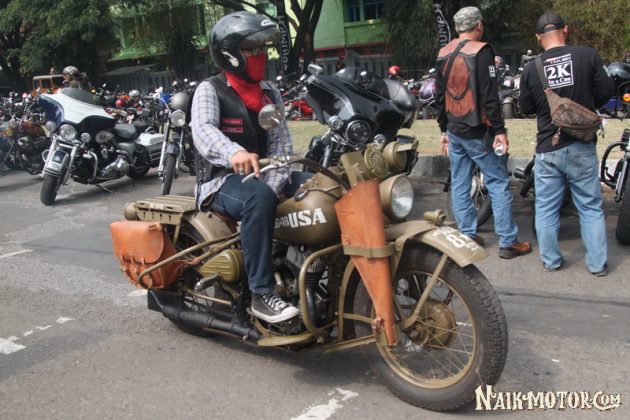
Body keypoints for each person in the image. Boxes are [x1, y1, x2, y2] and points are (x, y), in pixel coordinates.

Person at [190, 11, 300, 323]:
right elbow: (203, 130)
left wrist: (274, 184)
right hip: (220, 182)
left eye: (263, 48)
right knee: (258, 197)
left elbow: (281, 146)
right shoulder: (210, 89)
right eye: (252, 50)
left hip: (261, 177)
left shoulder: (269, 92)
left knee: (320, 187)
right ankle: (261, 294)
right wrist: (233, 152)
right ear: (230, 55)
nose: (260, 55)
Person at [519, 12, 614, 275]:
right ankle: (597, 265)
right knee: (590, 207)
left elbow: (525, 107)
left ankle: (551, 261)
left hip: (548, 147)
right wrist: (586, 104)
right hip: (582, 144)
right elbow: (607, 91)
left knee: (546, 208)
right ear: (566, 30)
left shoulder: (531, 68)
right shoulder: (588, 55)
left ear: (538, 37)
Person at [435, 6, 532, 258]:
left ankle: (468, 235)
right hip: (478, 130)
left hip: (454, 128)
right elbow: (489, 96)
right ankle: (508, 242)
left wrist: (443, 129)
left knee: (460, 182)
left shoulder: (443, 53)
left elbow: (439, 96)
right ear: (478, 25)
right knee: (498, 182)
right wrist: (499, 130)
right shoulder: (481, 51)